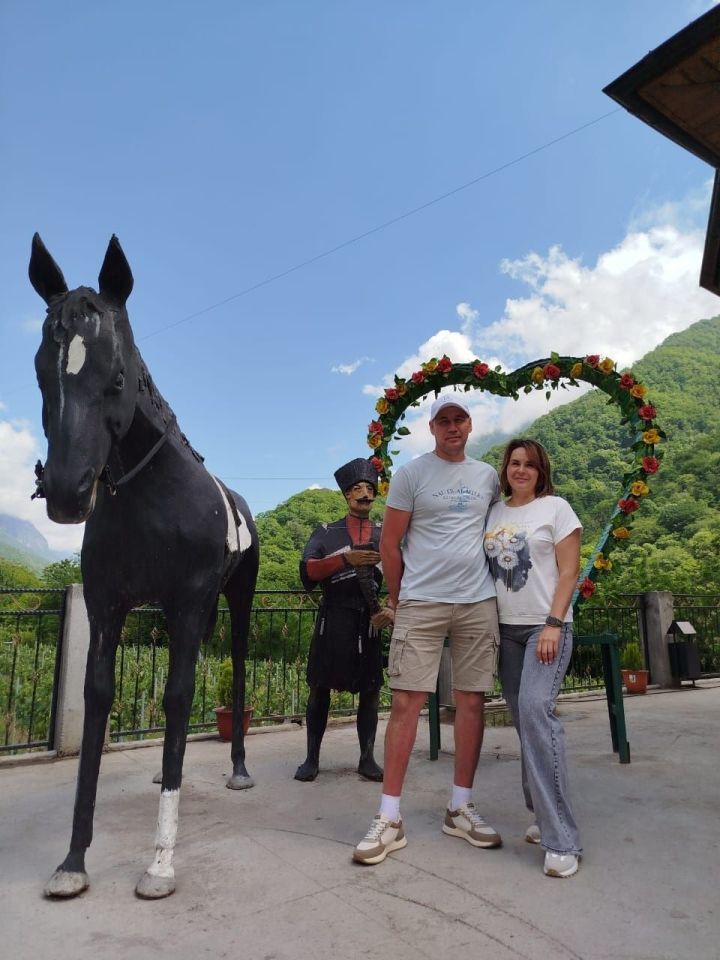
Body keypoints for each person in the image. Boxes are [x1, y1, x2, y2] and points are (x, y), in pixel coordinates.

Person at [352, 394, 501, 865]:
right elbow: (390, 544)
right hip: (422, 601)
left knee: (472, 700)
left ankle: (459, 808)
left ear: (470, 425)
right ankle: (389, 817)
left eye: (460, 420)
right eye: (444, 420)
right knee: (405, 702)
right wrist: (399, 598)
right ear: (432, 426)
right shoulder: (411, 474)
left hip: (478, 601)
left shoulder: (487, 477)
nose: (452, 427)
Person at [483, 438, 582, 878]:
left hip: (546, 628)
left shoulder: (556, 509)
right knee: (524, 723)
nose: (521, 470)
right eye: (514, 463)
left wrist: (554, 624)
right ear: (505, 468)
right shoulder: (494, 512)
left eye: (530, 465)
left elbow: (568, 571)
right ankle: (541, 817)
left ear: (542, 472)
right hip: (504, 630)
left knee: (535, 711)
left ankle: (562, 838)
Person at [295, 458, 394, 782]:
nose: (364, 494)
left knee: (370, 691)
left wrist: (391, 607)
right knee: (319, 689)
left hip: (368, 621)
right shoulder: (326, 532)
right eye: (356, 489)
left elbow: (404, 576)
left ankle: (367, 757)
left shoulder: (385, 535)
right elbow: (308, 571)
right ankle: (311, 758)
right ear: (346, 495)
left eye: (369, 488)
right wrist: (344, 559)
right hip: (333, 617)